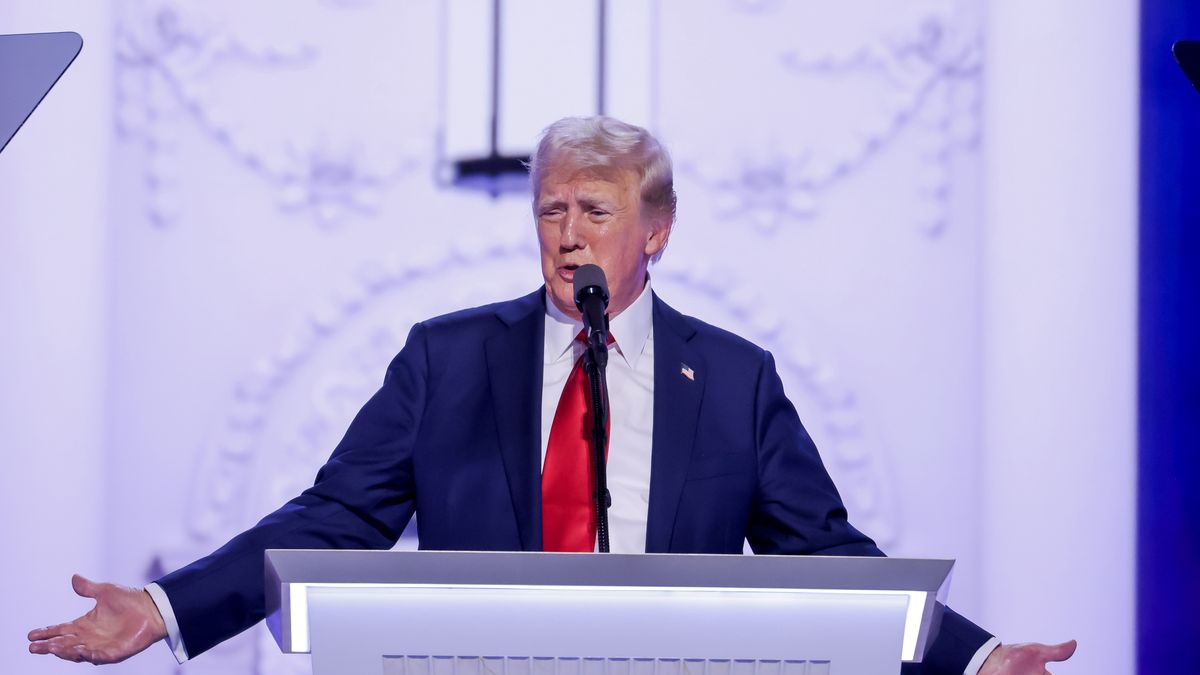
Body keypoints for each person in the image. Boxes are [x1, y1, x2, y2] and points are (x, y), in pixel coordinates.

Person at [28, 116, 1076, 674]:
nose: (567, 234)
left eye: (595, 210)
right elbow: (335, 518)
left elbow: (825, 553)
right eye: (550, 210)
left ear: (656, 229)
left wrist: (976, 659)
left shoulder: (734, 378)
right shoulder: (447, 360)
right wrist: (165, 608)